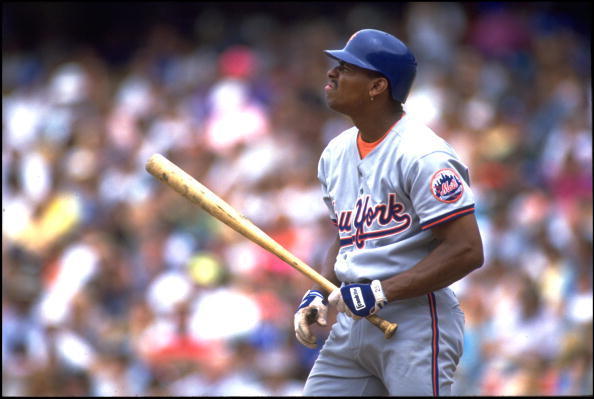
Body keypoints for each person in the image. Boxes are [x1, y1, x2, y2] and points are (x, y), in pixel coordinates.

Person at [294, 29, 484, 396]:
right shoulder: (335, 153)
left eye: (347, 68)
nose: (332, 73)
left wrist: (382, 290)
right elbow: (348, 237)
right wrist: (320, 290)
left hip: (415, 323)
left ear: (377, 86)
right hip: (352, 323)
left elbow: (467, 250)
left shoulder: (423, 154)